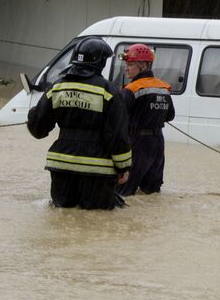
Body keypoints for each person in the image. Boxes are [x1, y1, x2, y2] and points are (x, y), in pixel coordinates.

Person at [27, 37, 132, 209]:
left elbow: (38, 128)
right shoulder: (108, 91)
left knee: (62, 219)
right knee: (95, 223)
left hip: (61, 167)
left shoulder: (57, 87)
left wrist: (32, 116)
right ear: (99, 63)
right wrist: (124, 167)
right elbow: (118, 134)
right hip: (97, 172)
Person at [119, 43, 175, 196]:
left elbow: (118, 119)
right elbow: (170, 116)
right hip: (157, 143)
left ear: (143, 65)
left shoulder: (131, 90)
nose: (126, 68)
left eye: (129, 64)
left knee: (124, 192)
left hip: (137, 142)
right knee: (151, 192)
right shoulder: (164, 88)